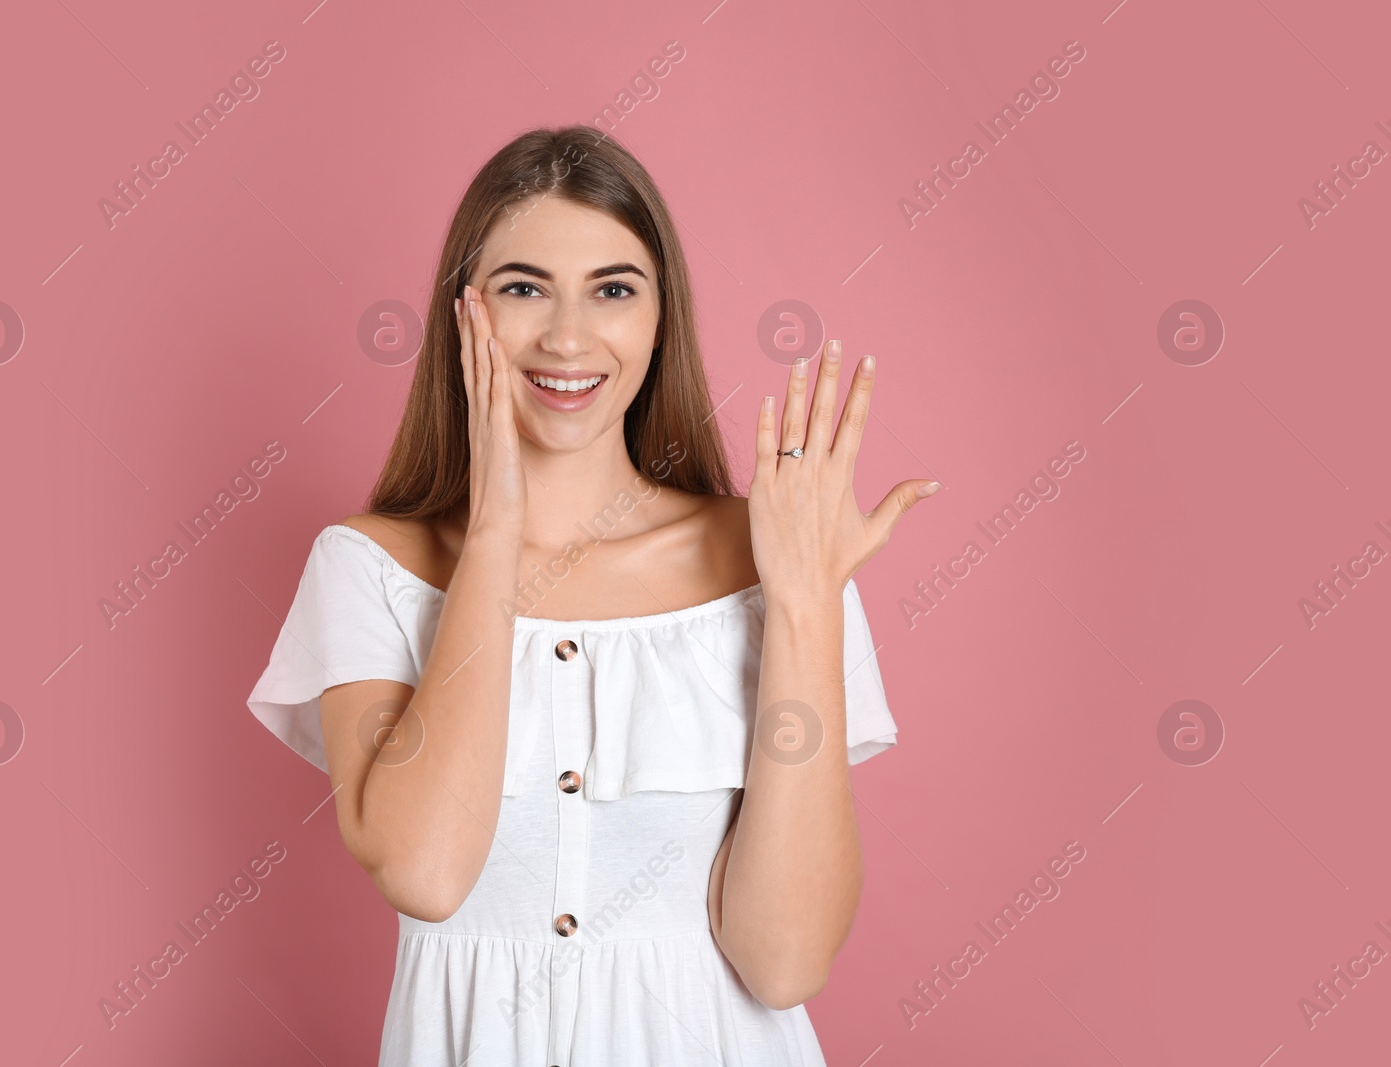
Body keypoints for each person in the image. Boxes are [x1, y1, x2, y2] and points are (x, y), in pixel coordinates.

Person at [247, 124, 939, 1066]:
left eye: (613, 290)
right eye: (524, 288)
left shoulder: (774, 559)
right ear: (465, 312)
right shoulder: (368, 568)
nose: (567, 337)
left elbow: (783, 961)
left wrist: (807, 605)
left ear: (661, 320)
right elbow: (427, 867)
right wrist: (497, 525)